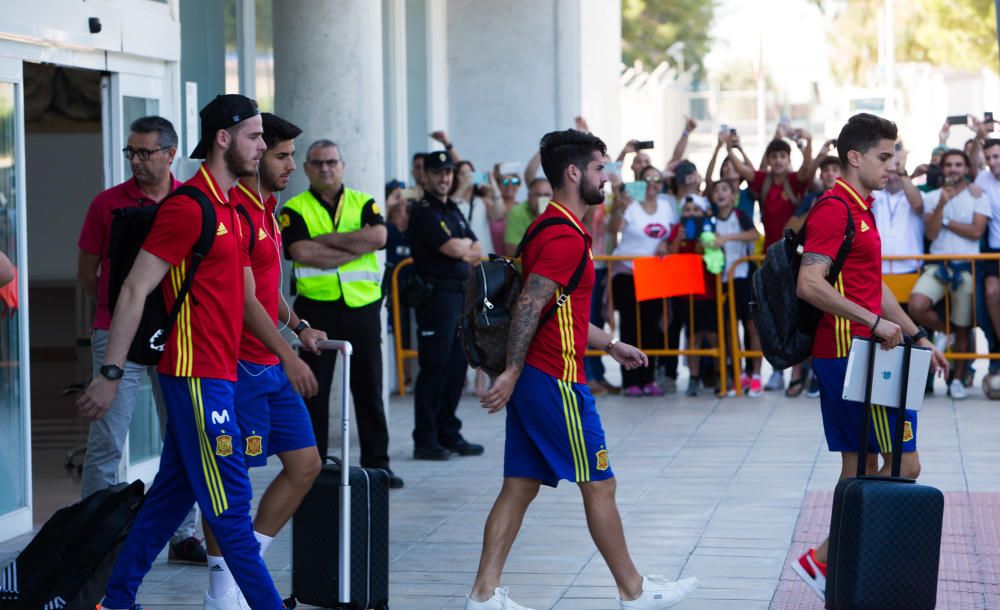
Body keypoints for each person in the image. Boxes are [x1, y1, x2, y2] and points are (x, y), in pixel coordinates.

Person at [467, 129, 699, 610]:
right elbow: (530, 304)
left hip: (539, 375)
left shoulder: (552, 227)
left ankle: (483, 595)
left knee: (519, 486)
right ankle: (634, 590)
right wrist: (510, 371)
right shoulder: (563, 235)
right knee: (600, 482)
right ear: (573, 173)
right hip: (554, 379)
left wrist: (610, 344)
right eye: (599, 169)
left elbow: (561, 310)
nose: (606, 178)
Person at [77, 94, 287, 610]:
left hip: (219, 375)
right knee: (232, 508)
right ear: (224, 138)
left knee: (170, 498)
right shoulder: (188, 207)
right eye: (255, 136)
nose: (263, 146)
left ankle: (116, 600)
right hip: (194, 377)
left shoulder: (232, 206)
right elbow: (131, 289)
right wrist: (110, 370)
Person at [791, 112, 947, 602]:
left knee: (863, 467)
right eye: (884, 156)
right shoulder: (835, 208)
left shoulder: (863, 206)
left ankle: (834, 567)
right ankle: (823, 559)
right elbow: (809, 283)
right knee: (904, 464)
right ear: (853, 157)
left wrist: (916, 333)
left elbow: (871, 286)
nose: (893, 165)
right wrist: (880, 326)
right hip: (847, 354)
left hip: (868, 351)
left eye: (895, 156)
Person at [198, 112, 325, 608]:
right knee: (231, 483)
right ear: (252, 154)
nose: (292, 164)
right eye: (281, 154)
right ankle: (222, 590)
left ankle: (238, 572)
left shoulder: (268, 209)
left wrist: (298, 328)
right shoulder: (235, 211)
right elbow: (245, 300)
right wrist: (286, 352)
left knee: (306, 465)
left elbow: (269, 294)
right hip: (238, 368)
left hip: (268, 363)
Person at [75, 115, 206, 565]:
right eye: (131, 152)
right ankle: (92, 535)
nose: (136, 161)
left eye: (145, 152)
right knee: (108, 438)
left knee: (183, 433)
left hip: (177, 334)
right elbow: (87, 274)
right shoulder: (107, 203)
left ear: (171, 154)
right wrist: (117, 316)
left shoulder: (192, 202)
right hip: (116, 333)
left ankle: (183, 534)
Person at [279, 139, 401, 487]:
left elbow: (378, 236)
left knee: (369, 388)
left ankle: (379, 465)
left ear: (342, 165)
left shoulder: (364, 201)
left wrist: (327, 239)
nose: (325, 168)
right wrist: (353, 245)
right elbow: (301, 250)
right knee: (313, 390)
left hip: (362, 308)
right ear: (306, 169)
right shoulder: (294, 208)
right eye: (317, 163)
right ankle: (313, 469)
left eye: (331, 162)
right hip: (315, 312)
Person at [408, 151, 485, 460]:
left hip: (459, 297)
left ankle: (448, 432)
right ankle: (426, 439)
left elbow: (476, 248)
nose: (444, 178)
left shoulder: (452, 209)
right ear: (425, 175)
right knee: (434, 368)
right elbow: (453, 248)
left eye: (449, 173)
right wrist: (462, 248)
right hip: (436, 298)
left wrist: (463, 249)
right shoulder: (424, 210)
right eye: (438, 172)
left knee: (455, 369)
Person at [728, 127, 813, 395]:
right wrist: (728, 147)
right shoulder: (763, 180)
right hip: (770, 258)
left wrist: (808, 143)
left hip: (796, 256)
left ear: (788, 160)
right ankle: (777, 370)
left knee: (799, 315)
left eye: (782, 156)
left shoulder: (795, 180)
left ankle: (799, 373)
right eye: (774, 156)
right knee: (775, 315)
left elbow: (809, 170)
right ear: (768, 159)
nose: (778, 161)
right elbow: (741, 170)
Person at [907, 149, 988, 400]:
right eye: (949, 165)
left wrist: (945, 222)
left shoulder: (978, 195)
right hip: (938, 266)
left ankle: (958, 379)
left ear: (965, 169)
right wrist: (942, 204)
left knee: (965, 327)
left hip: (966, 267)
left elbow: (976, 232)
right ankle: (948, 332)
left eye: (958, 164)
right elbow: (931, 234)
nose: (953, 169)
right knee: (916, 305)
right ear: (943, 169)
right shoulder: (933, 198)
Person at [609, 165, 672, 397]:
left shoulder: (665, 206)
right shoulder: (631, 205)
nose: (653, 183)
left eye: (657, 178)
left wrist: (666, 244)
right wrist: (620, 208)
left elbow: (670, 232)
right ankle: (631, 381)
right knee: (630, 327)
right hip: (627, 273)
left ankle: (648, 378)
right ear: (639, 182)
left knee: (651, 328)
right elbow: (613, 229)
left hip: (654, 273)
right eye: (647, 179)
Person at [709, 180, 761, 397]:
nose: (720, 194)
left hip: (743, 278)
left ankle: (756, 376)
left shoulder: (740, 216)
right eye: (717, 190)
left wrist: (728, 238)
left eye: (725, 190)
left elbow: (754, 234)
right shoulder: (711, 221)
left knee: (751, 326)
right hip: (722, 281)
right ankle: (738, 375)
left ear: (733, 197)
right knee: (730, 329)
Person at [666, 197, 718, 396]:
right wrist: (677, 239)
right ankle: (694, 378)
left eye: (695, 209)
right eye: (687, 209)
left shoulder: (709, 231)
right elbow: (670, 256)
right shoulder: (676, 231)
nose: (690, 213)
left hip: (708, 292)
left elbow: (714, 258)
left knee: (713, 336)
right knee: (693, 336)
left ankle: (719, 374)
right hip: (686, 294)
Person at [502, 176, 553, 252]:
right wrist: (540, 221)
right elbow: (511, 249)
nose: (542, 199)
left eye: (546, 195)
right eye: (538, 195)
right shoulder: (517, 212)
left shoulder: (558, 212)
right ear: (529, 196)